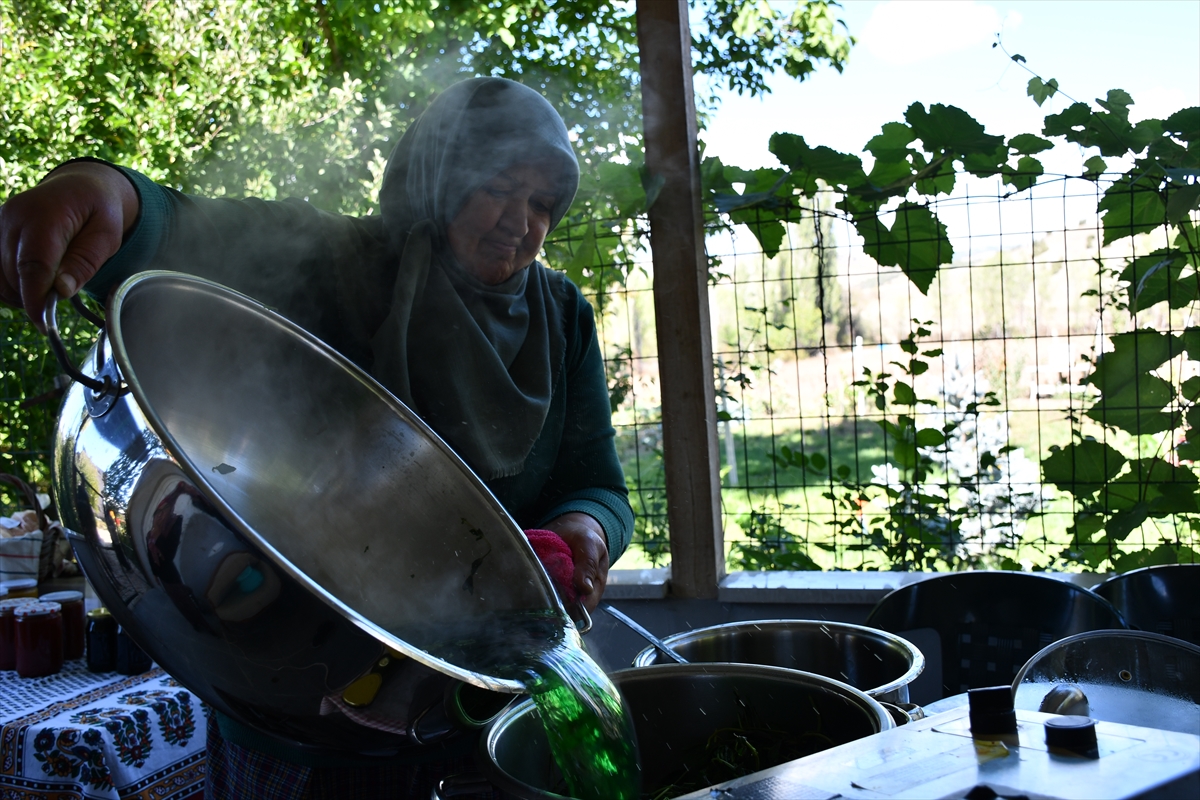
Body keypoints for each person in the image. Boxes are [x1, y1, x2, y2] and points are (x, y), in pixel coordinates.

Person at [1, 77, 633, 798]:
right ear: (439, 179)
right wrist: (105, 191)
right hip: (302, 701)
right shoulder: (345, 264)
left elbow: (598, 484)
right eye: (498, 187)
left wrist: (585, 527)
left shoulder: (561, 318)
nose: (521, 221)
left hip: (480, 700)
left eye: (544, 203)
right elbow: (187, 232)